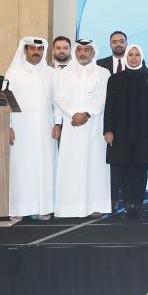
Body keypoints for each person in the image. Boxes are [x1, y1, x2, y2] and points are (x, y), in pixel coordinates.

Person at [53, 39, 111, 217]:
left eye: (87, 50)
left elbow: (106, 99)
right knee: (72, 165)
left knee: (95, 165)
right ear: (75, 52)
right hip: (72, 127)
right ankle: (69, 207)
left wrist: (86, 114)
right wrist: (73, 113)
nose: (83, 53)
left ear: (93, 52)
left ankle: (96, 205)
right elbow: (58, 97)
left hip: (95, 125)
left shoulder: (103, 73)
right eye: (79, 50)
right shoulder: (64, 73)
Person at [4, 37, 59, 219]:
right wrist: (8, 126)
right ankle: (18, 209)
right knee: (21, 168)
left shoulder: (51, 73)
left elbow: (57, 101)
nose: (36, 52)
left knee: (44, 168)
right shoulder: (13, 73)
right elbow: (6, 102)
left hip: (45, 129)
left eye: (40, 49)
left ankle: (42, 209)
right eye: (33, 49)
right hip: (20, 130)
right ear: (25, 50)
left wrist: (58, 123)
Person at [105, 45, 148, 219]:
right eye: (130, 54)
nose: (134, 57)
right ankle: (128, 205)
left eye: (137, 54)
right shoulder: (115, 79)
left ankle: (138, 205)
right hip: (120, 131)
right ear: (126, 57)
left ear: (141, 57)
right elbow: (109, 106)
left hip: (143, 131)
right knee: (124, 168)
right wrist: (108, 130)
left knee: (140, 168)